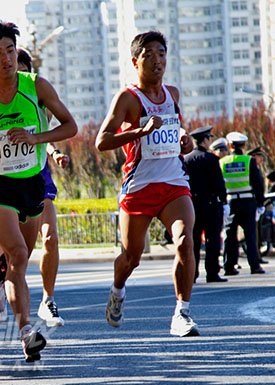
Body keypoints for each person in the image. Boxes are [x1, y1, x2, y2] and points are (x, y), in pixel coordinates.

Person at [0, 21, 77, 360]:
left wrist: (37, 139)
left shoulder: (36, 86)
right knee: (18, 255)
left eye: (9, 51)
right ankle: (26, 333)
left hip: (32, 182)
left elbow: (69, 125)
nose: (5, 59)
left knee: (19, 261)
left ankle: (0, 275)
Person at [95, 30, 199, 337]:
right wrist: (139, 133)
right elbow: (102, 141)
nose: (157, 61)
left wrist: (185, 140)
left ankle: (182, 314)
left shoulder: (173, 94)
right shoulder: (127, 98)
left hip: (173, 183)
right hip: (139, 187)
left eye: (162, 54)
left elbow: (178, 132)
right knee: (131, 258)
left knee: (185, 241)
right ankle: (117, 291)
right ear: (135, 61)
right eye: (149, 55)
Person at [18, 47, 68, 327]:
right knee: (17, 251)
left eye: (25, 69)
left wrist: (53, 152)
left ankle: (48, 300)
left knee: (50, 238)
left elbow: (41, 135)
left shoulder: (39, 98)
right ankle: (2, 280)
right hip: (3, 183)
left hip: (39, 177)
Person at [183, 125, 227, 283]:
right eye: (209, 138)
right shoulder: (211, 159)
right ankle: (212, 272)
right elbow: (219, 183)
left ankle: (192, 274)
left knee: (193, 240)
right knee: (212, 239)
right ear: (205, 140)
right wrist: (224, 200)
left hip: (192, 205)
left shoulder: (186, 160)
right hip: (211, 205)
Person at [219, 131, 265, 276]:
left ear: (230, 145)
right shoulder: (249, 161)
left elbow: (219, 184)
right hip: (248, 202)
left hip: (231, 202)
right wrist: (260, 203)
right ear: (243, 145)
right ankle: (255, 266)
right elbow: (258, 183)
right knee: (250, 235)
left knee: (230, 235)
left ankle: (229, 266)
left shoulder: (222, 162)